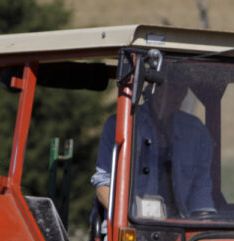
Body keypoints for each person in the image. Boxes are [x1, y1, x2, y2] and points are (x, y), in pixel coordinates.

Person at [92, 83, 215, 220]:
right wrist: (125, 219)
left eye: (181, 88)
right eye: (170, 86)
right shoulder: (122, 125)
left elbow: (200, 191)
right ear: (154, 88)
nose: (176, 95)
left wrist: (205, 225)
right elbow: (104, 186)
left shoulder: (195, 132)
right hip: (131, 228)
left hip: (179, 229)